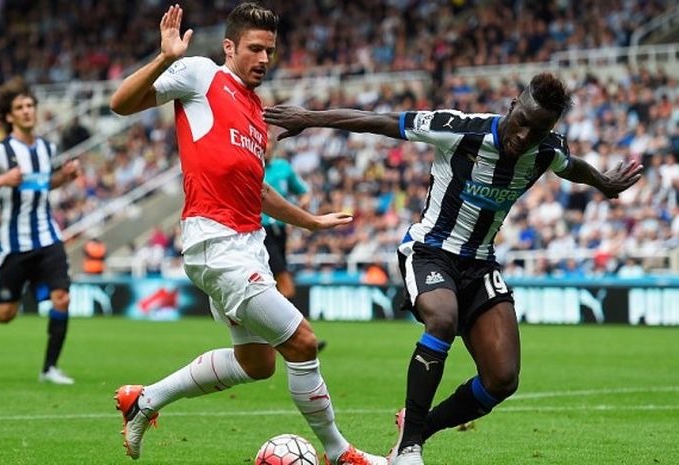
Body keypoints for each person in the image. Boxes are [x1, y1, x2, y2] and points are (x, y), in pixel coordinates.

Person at [263, 72, 643, 465]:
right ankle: (410, 447)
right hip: (430, 251)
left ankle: (419, 425)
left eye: (539, 130)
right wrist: (309, 117)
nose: (525, 135)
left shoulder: (547, 149)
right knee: (442, 320)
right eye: (523, 121)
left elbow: (571, 165)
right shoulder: (459, 129)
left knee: (502, 380)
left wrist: (603, 184)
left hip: (480, 264)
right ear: (513, 106)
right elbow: (379, 121)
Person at [109, 4, 386, 464]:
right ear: (229, 46)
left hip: (249, 245)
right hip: (215, 242)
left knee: (259, 364)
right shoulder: (200, 75)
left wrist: (311, 221)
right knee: (301, 341)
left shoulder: (257, 113)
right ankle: (341, 452)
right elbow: (120, 104)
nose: (263, 58)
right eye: (255, 48)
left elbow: (257, 190)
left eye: (270, 51)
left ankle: (144, 400)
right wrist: (164, 58)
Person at [0, 77, 81, 385]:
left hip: (48, 238)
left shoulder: (46, 149)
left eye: (30, 105)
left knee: (61, 298)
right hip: (14, 244)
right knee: (5, 314)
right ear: (9, 116)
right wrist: (1, 181)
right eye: (19, 107)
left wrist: (63, 178)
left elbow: (42, 185)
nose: (27, 111)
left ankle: (49, 368)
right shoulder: (0, 152)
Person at [262, 144, 328, 351]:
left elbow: (303, 191)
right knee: (284, 281)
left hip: (280, 232)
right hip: (258, 231)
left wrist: (305, 202)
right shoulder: (248, 165)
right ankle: (302, 336)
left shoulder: (283, 168)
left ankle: (276, 334)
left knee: (274, 285)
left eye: (269, 143)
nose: (266, 148)